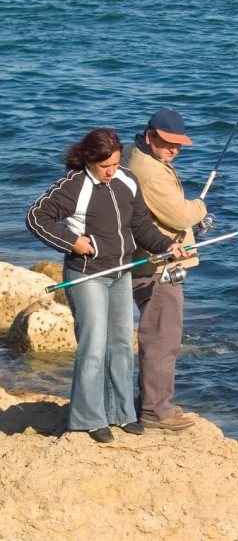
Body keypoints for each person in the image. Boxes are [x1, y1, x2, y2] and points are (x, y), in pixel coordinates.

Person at [26, 127, 186, 443]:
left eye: (114, 163)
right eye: (105, 166)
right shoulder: (74, 186)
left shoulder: (126, 180)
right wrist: (72, 242)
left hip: (121, 272)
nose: (111, 171)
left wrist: (166, 246)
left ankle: (121, 414)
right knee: (94, 347)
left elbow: (141, 226)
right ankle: (87, 418)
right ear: (89, 160)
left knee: (122, 346)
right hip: (87, 276)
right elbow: (36, 218)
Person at [122, 108, 207, 430]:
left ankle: (147, 401)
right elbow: (181, 217)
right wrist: (200, 207)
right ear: (149, 136)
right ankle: (156, 411)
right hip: (156, 264)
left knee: (155, 334)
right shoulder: (152, 172)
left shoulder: (132, 153)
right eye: (167, 142)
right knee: (162, 338)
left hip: (142, 256)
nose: (174, 150)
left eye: (179, 144)